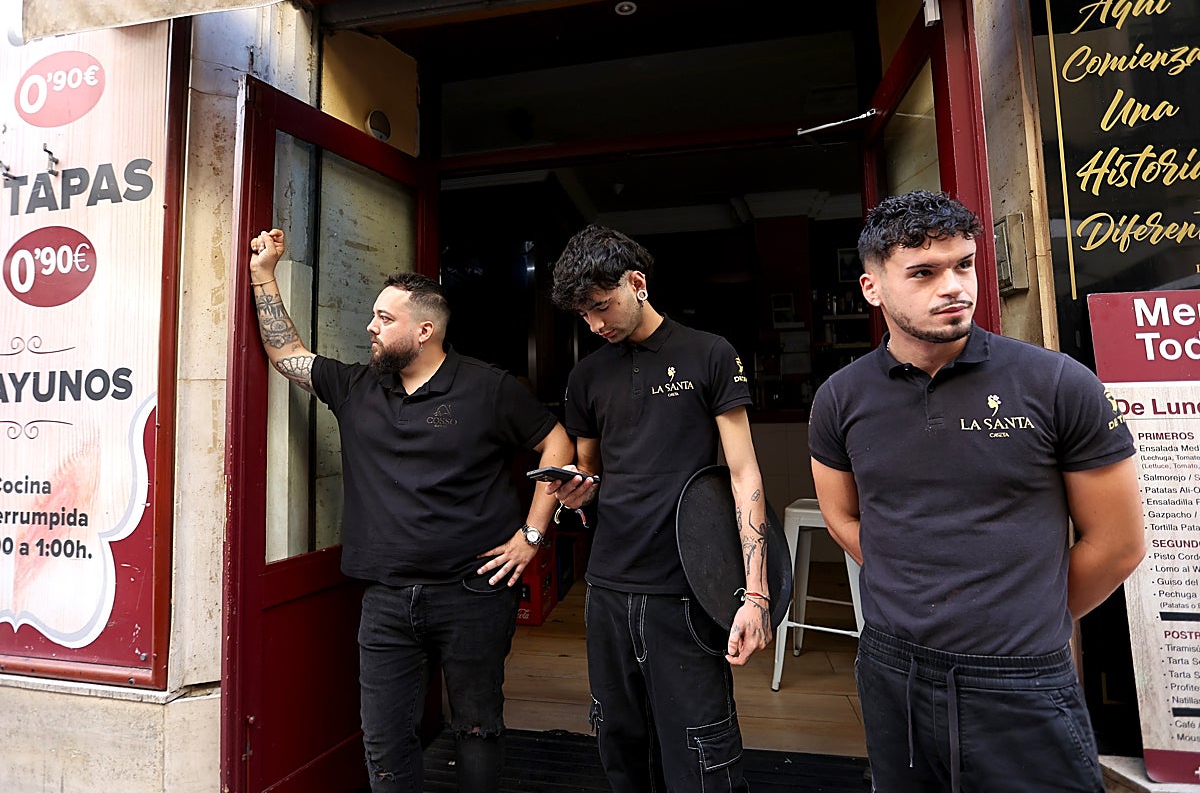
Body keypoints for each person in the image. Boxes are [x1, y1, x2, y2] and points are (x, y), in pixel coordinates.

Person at [808, 190, 1145, 793]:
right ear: (873, 288)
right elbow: (842, 518)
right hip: (894, 672)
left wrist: (1024, 617)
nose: (955, 286)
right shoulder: (841, 397)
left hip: (1022, 678)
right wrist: (916, 584)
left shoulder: (1057, 383)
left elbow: (1118, 543)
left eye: (964, 264)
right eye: (924, 272)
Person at [248, 228, 573, 793]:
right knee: (384, 735)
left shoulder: (487, 388)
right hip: (387, 596)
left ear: (424, 331)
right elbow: (287, 355)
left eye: (383, 318)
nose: (370, 327)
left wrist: (532, 536)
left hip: (474, 589)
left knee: (477, 726)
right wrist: (263, 272)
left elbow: (558, 443)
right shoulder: (356, 387)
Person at [548, 224, 772, 793]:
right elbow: (591, 470)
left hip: (689, 587)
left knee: (702, 753)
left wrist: (757, 592)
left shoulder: (708, 353)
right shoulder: (587, 375)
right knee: (621, 747)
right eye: (584, 315)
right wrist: (578, 489)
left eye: (602, 306)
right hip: (608, 588)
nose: (596, 324)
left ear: (637, 283)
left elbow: (744, 472)